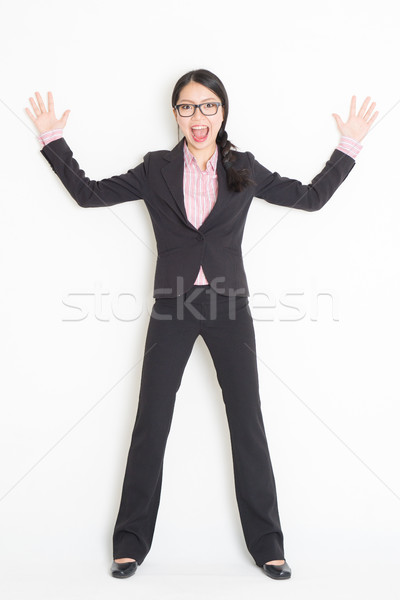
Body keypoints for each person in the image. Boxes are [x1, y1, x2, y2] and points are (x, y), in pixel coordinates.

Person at [25, 69, 378, 581]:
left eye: (209, 106)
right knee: (152, 421)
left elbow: (310, 198)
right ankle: (130, 545)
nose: (199, 117)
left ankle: (268, 546)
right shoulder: (155, 168)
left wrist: (348, 146)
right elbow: (88, 194)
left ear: (223, 112)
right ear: (176, 114)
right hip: (172, 304)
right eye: (188, 107)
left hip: (228, 305)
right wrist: (53, 139)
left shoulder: (242, 166)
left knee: (247, 423)